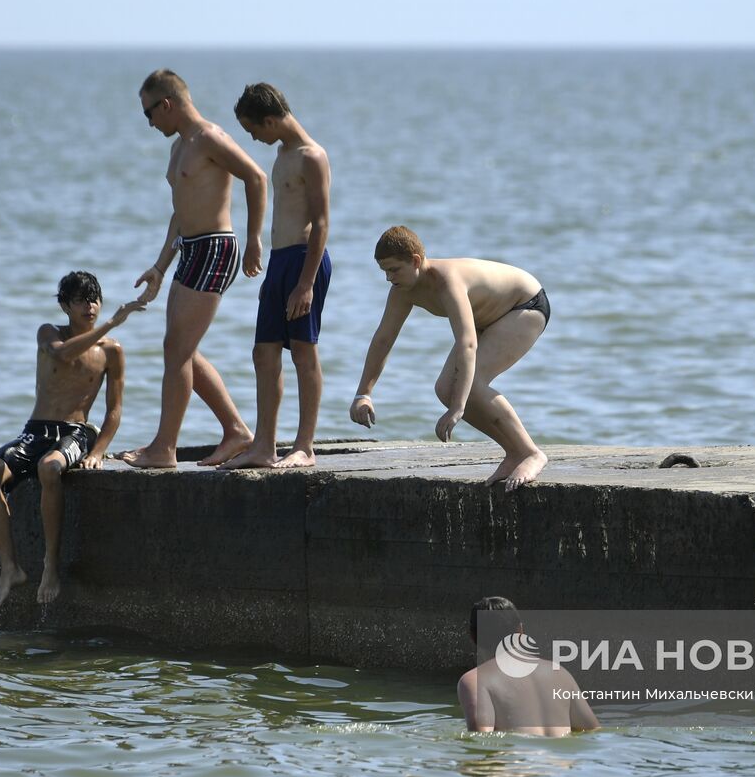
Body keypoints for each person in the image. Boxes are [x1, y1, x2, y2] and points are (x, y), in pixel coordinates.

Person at [119, 69, 268, 469]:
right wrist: (159, 266)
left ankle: (164, 448)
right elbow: (180, 213)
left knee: (178, 349)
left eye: (149, 113)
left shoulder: (209, 138)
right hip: (190, 248)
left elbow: (256, 177)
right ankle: (236, 431)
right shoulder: (178, 147)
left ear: (166, 104)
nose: (149, 123)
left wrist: (254, 238)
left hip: (215, 247)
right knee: (179, 348)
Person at [0, 272, 146, 609]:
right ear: (65, 306)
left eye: (94, 299)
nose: (90, 306)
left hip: (75, 432)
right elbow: (64, 354)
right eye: (81, 300)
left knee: (49, 468)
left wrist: (99, 451)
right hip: (36, 429)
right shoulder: (49, 333)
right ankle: (10, 568)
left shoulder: (112, 351)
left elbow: (114, 410)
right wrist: (112, 322)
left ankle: (50, 565)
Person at [350, 226, 549, 490]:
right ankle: (514, 452)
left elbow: (467, 344)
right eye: (384, 271)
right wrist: (363, 394)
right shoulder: (401, 290)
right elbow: (383, 339)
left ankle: (531, 453)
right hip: (489, 317)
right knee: (445, 389)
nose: (388, 278)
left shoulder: (447, 281)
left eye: (394, 269)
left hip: (524, 306)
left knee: (472, 386)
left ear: (416, 261)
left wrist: (458, 408)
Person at [220, 83, 332, 470]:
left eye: (253, 129)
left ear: (270, 120)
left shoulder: (312, 156)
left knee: (303, 351)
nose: (253, 138)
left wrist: (306, 283)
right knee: (263, 352)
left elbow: (321, 223)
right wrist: (263, 257)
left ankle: (305, 447)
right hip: (280, 260)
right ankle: (264, 446)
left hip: (304, 261)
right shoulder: (282, 154)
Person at [458, 597, 599, 735]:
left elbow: (481, 740)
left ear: (473, 636)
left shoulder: (475, 680)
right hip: (563, 751)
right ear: (520, 631)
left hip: (520, 750)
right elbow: (593, 731)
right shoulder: (560, 673)